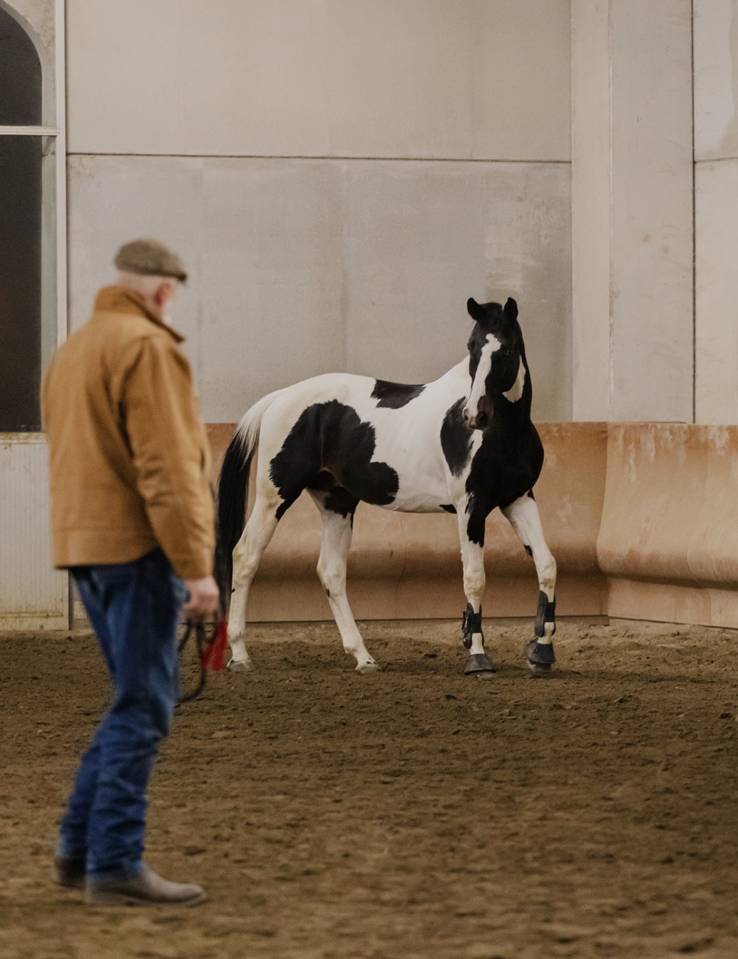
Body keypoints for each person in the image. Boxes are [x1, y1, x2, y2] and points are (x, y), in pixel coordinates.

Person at [42, 238, 219, 906]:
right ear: (164, 290)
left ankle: (77, 847)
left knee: (131, 700)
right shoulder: (148, 349)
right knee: (146, 704)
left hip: (84, 549)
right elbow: (168, 470)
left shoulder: (73, 350)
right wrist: (197, 570)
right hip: (138, 553)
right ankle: (113, 859)